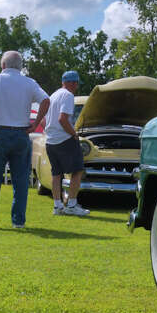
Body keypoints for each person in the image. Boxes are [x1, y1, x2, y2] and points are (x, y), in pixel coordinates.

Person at [0, 50, 50, 228]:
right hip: (21, 134)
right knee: (20, 181)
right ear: (20, 66)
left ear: (3, 65)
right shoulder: (29, 83)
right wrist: (35, 124)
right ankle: (18, 221)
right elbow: (46, 100)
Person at [42, 70, 90, 216]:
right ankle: (72, 205)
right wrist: (73, 134)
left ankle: (57, 206)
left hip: (50, 140)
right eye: (76, 83)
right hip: (64, 139)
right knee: (77, 171)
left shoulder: (53, 95)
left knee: (56, 174)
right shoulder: (68, 96)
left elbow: (44, 120)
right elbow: (63, 119)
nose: (76, 87)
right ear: (72, 82)